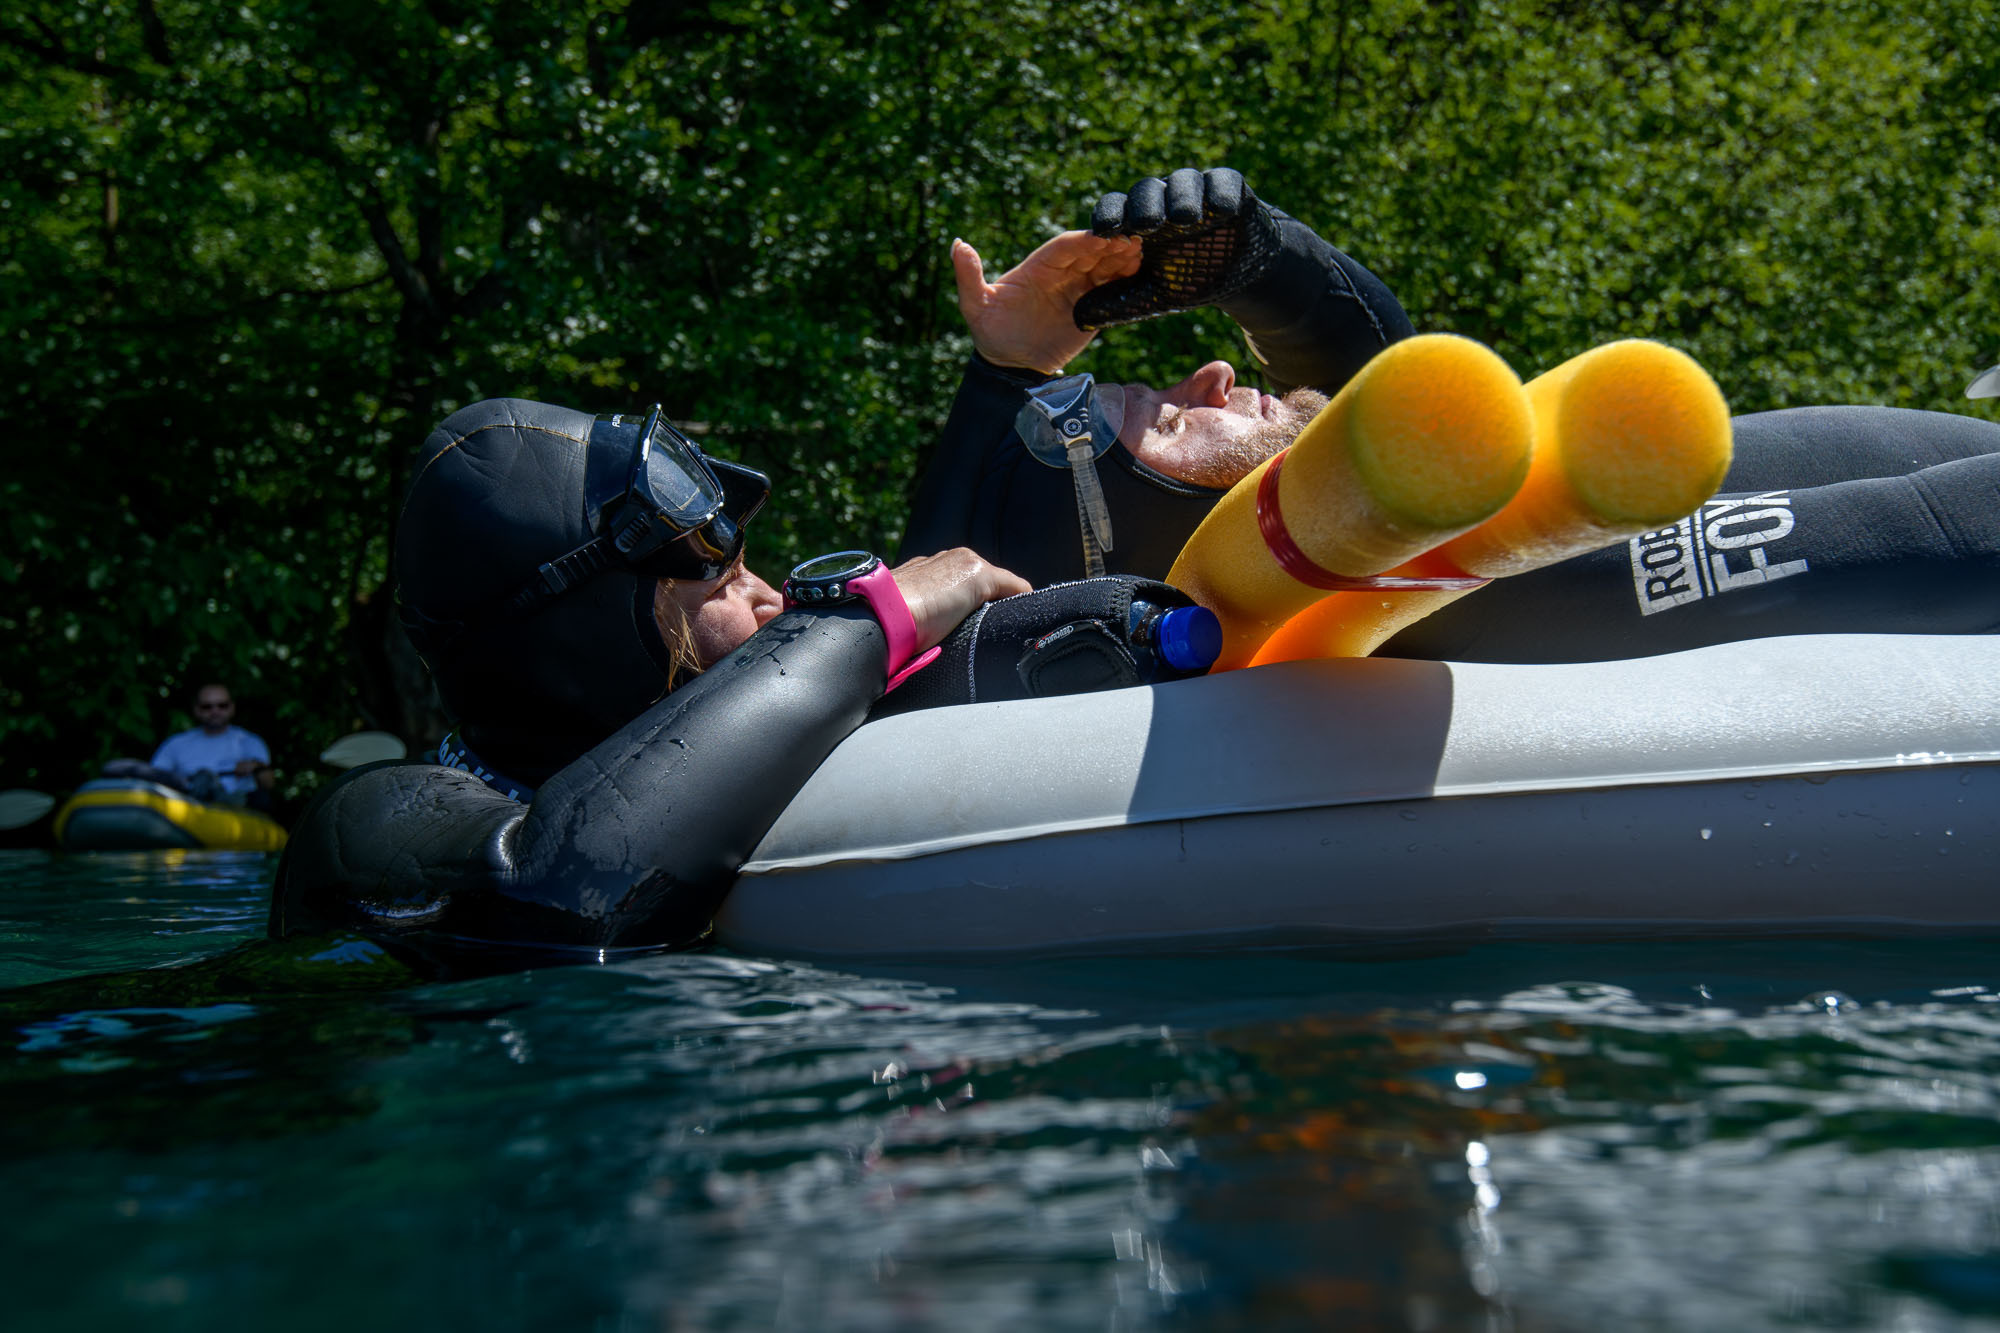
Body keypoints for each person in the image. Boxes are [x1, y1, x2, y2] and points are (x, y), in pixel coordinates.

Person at [902, 167, 2000, 659]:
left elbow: (1392, 392)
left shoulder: (1421, 554)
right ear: (1142, 548)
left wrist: (1255, 257)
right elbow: (1957, 536)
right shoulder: (1423, 598)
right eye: (1171, 421)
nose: (1210, 377)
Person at [270, 400, 1036, 974]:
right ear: (592, 636)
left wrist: (1008, 376)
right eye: (726, 586)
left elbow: (973, 605)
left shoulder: (743, 766)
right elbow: (575, 887)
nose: (773, 601)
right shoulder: (363, 830)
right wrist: (865, 613)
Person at [151, 683, 277, 810]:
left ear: (232, 707)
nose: (215, 711)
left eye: (222, 706)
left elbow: (269, 784)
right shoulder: (175, 744)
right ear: (197, 710)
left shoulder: (250, 742)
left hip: (237, 811)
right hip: (187, 808)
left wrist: (256, 767)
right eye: (207, 707)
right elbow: (155, 778)